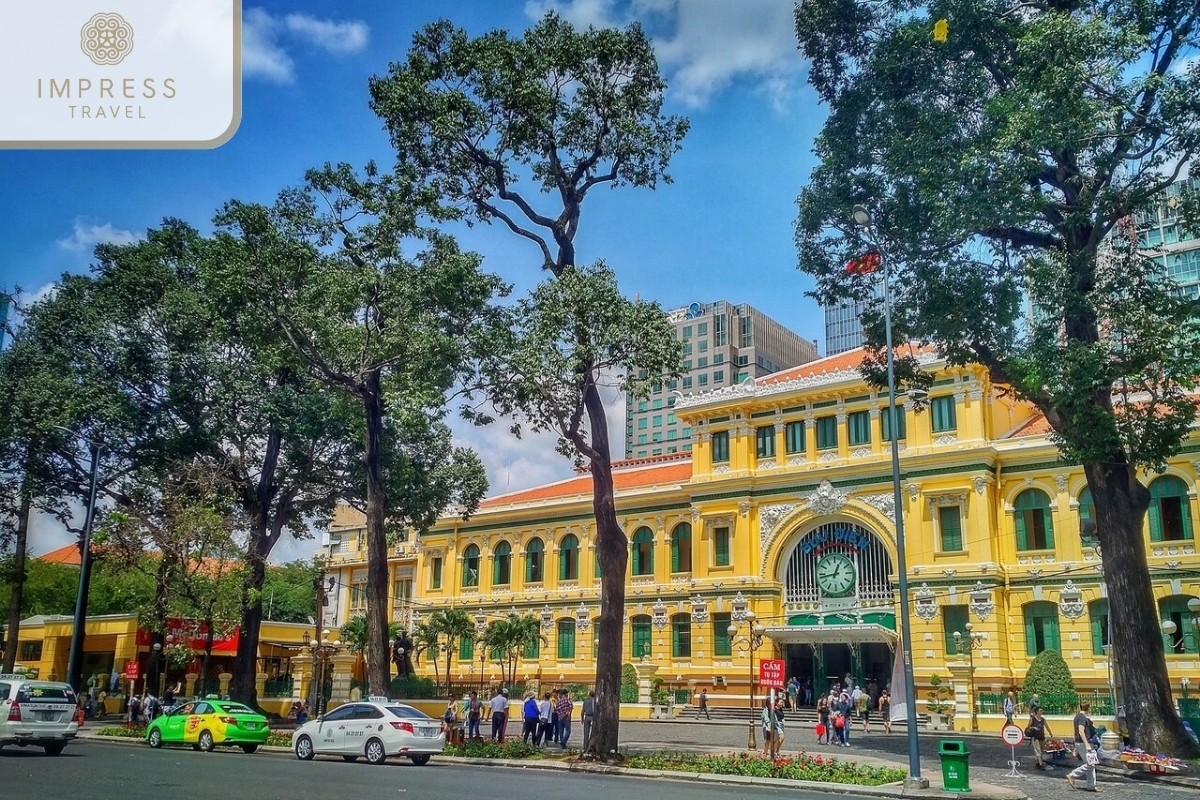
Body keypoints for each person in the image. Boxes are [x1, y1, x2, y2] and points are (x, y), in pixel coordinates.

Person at [1067, 701, 1100, 791]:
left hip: (1079, 743)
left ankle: (1091, 785)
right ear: (1088, 708)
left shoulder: (1077, 717)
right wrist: (1086, 744)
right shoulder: (1082, 718)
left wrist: (1076, 748)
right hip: (1084, 743)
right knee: (1091, 763)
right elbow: (1081, 731)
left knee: (1091, 764)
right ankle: (1072, 775)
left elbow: (1077, 732)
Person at [1027, 705, 1052, 771]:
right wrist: (1033, 728)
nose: (1042, 712)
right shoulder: (1032, 719)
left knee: (1041, 751)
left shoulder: (1043, 719)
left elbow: (1046, 726)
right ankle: (1041, 765)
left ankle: (1037, 763)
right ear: (1037, 712)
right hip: (1035, 737)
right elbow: (1028, 727)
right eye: (1040, 711)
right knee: (1038, 751)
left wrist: (1050, 733)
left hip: (1042, 737)